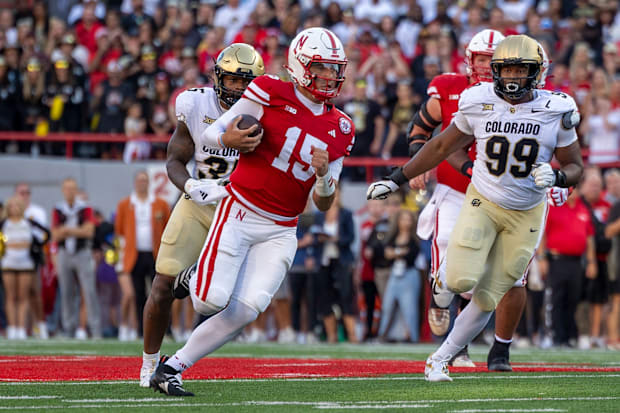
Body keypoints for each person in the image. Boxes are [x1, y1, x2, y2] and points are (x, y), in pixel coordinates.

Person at [150, 27, 354, 396]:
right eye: (321, 67)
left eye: (334, 68)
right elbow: (215, 134)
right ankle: (190, 278)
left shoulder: (342, 127)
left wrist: (324, 176)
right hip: (239, 210)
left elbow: (324, 202)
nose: (329, 76)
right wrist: (227, 139)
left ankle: (172, 368)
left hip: (281, 228)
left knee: (247, 309)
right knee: (208, 300)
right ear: (300, 65)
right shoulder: (269, 90)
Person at [367, 34, 583, 382]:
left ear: (538, 72)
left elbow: (576, 167)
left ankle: (440, 358)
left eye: (520, 69)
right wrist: (397, 179)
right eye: (506, 69)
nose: (512, 77)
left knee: (489, 295)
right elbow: (439, 146)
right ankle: (443, 282)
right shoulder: (477, 99)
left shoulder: (557, 108)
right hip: (483, 201)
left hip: (527, 212)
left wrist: (558, 178)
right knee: (460, 279)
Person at [408, 30, 563, 371]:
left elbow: (554, 148)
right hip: (460, 188)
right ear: (470, 60)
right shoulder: (451, 90)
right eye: (482, 58)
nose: (490, 67)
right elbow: (426, 134)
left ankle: (493, 349)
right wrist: (414, 163)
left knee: (506, 278)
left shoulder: (544, 101)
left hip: (513, 198)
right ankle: (441, 295)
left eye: (509, 65)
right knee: (455, 258)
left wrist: (559, 179)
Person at [139, 43, 265, 387]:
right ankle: (149, 365)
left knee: (218, 301)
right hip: (199, 202)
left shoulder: (268, 112)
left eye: (246, 81)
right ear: (217, 77)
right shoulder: (194, 104)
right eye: (233, 80)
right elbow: (174, 159)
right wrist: (191, 186)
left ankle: (194, 281)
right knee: (163, 284)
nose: (239, 88)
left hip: (241, 210)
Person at [115, 171, 170, 340]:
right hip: (135, 254)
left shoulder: (160, 204)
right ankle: (141, 329)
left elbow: (168, 228)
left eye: (145, 181)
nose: (142, 184)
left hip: (154, 254)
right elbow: (120, 231)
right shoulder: (125, 204)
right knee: (138, 294)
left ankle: (165, 330)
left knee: (161, 292)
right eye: (139, 180)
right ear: (135, 183)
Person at [51, 178, 101, 339]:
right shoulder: (58, 209)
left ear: (76, 190)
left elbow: (89, 231)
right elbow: (55, 235)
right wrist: (75, 230)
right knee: (66, 291)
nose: (70, 191)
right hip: (65, 252)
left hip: (82, 252)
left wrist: (66, 230)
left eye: (72, 188)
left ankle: (95, 328)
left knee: (89, 290)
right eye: (67, 188)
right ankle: (69, 328)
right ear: (63, 190)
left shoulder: (85, 208)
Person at [0, 196, 50, 339]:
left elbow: (47, 233)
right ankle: (12, 327)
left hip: (25, 263)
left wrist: (36, 246)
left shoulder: (28, 222)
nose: (14, 208)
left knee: (24, 296)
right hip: (8, 263)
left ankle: (21, 328)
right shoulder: (4, 224)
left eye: (17, 205)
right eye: (12, 206)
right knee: (10, 296)